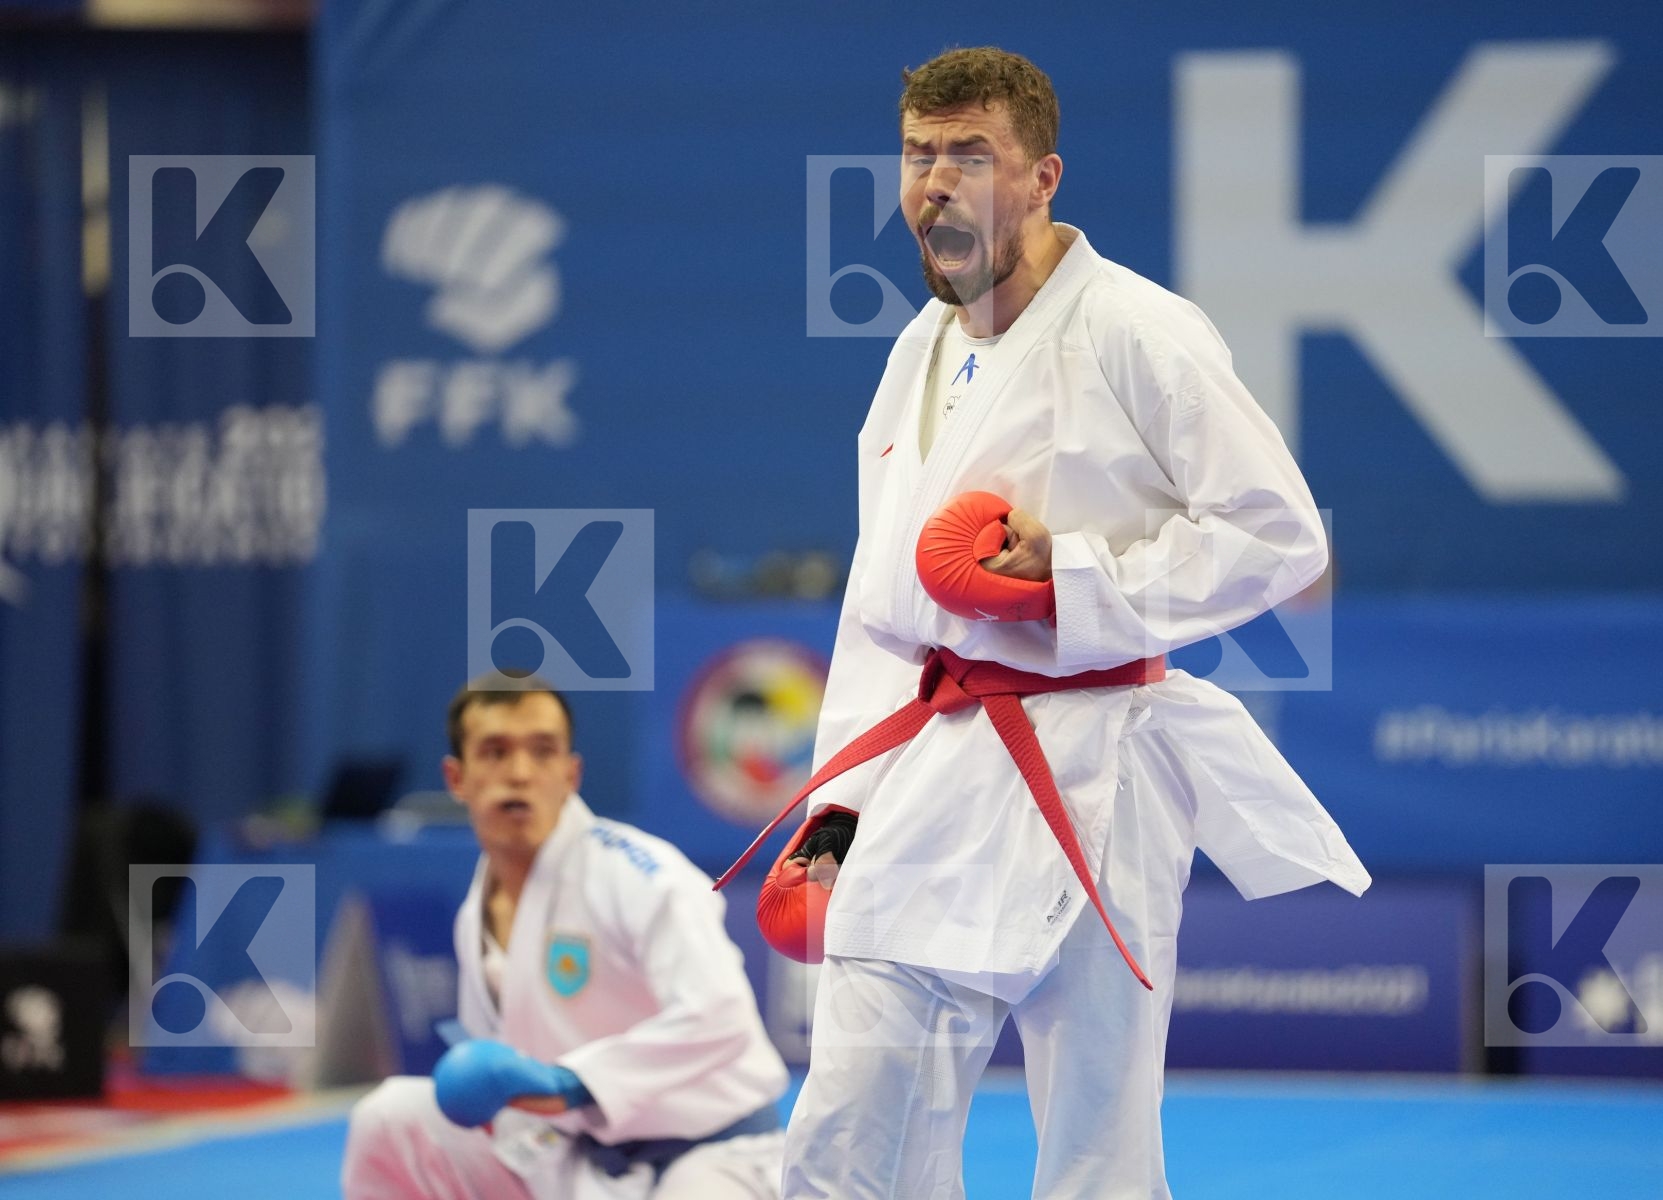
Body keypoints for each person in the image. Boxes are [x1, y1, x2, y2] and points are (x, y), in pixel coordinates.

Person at [773, 47, 1370, 1199]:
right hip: (937, 764)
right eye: (917, 155)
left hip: (1103, 764)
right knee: (856, 1116)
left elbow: (1279, 534)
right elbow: (879, 610)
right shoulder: (918, 352)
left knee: (1097, 1136)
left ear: (1043, 178)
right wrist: (835, 812)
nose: (935, 183)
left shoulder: (1140, 329)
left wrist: (1074, 580)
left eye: (970, 155)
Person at [342, 675, 789, 1199]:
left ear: (571, 773)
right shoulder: (477, 913)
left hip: (717, 1157)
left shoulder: (640, 874)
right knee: (391, 1116)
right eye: (495, 752)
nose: (520, 773)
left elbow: (721, 1016)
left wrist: (568, 1084)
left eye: (542, 751)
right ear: (457, 778)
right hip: (581, 1160)